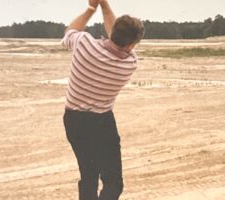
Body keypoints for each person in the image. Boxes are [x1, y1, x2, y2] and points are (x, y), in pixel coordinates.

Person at [61, 0, 144, 199]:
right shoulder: (129, 63)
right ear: (132, 45)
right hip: (102, 122)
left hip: (74, 120)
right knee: (113, 182)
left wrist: (92, 8)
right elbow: (117, 38)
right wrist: (105, 6)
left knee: (88, 176)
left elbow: (69, 31)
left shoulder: (83, 44)